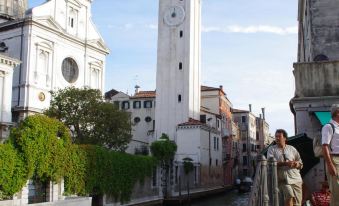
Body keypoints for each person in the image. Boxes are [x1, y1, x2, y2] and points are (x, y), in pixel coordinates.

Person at [267, 129, 303, 206]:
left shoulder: (292, 149)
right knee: (289, 195)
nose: (277, 138)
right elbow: (270, 163)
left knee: (297, 203)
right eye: (276, 136)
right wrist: (285, 163)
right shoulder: (271, 149)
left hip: (296, 179)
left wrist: (296, 164)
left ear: (285, 138)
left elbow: (301, 164)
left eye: (279, 136)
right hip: (283, 180)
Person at [322, 104, 339, 206]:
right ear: (337, 113)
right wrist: (330, 165)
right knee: (337, 191)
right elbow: (325, 146)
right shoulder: (329, 126)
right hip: (335, 160)